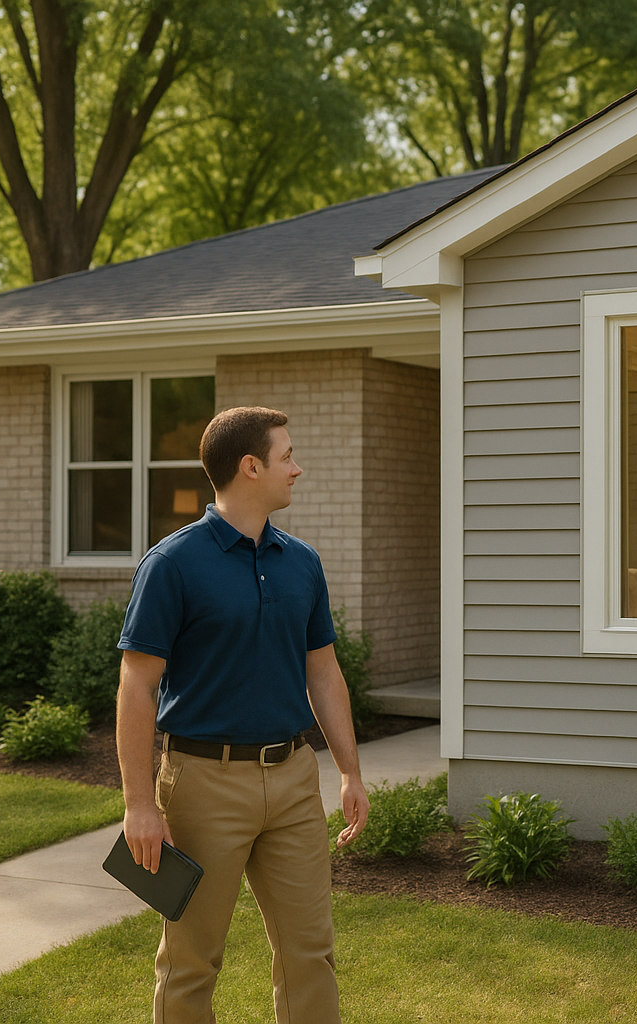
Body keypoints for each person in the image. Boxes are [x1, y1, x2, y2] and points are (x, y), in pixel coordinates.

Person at [116, 406, 369, 1024]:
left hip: (293, 779)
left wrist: (350, 772)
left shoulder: (302, 561)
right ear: (250, 466)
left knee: (311, 953)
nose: (297, 469)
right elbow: (137, 685)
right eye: (287, 456)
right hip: (202, 784)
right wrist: (140, 804)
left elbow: (323, 671)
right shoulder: (172, 564)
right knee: (192, 960)